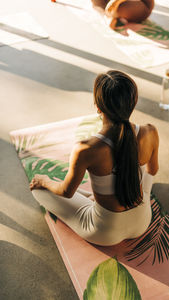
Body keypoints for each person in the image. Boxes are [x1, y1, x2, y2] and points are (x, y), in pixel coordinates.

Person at [30, 70, 159, 246]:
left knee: (39, 189)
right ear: (133, 103)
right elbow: (152, 170)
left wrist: (43, 181)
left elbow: (67, 192)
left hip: (105, 232)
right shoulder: (150, 131)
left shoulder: (86, 148)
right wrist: (143, 195)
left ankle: (80, 195)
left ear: (98, 107)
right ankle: (97, 199)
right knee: (96, 192)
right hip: (143, 221)